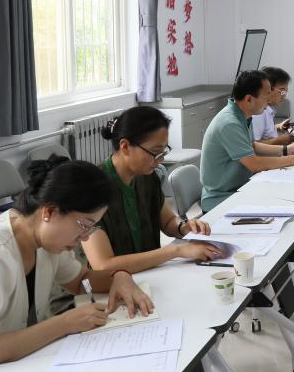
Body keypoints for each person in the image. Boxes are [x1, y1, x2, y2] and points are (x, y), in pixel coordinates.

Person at [0, 156, 154, 372]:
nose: (85, 237)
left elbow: (81, 281)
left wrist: (119, 276)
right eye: (84, 225)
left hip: (25, 364)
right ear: (49, 211)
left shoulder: (45, 237)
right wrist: (64, 324)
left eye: (91, 228)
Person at [81, 106, 223, 272]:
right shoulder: (91, 189)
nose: (160, 160)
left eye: (163, 152)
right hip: (113, 283)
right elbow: (103, 265)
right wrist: (176, 250)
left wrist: (184, 227)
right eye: (155, 153)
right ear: (125, 146)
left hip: (150, 274)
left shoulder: (147, 176)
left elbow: (168, 222)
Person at [200, 70, 294, 213]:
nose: (269, 99)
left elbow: (252, 146)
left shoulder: (243, 116)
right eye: (266, 94)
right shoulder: (229, 123)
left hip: (241, 188)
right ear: (249, 99)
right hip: (222, 199)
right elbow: (254, 164)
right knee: (287, 203)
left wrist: (286, 150)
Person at [252, 66, 294, 146]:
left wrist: (278, 126)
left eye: (285, 92)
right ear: (268, 88)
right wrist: (279, 140)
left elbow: (264, 131)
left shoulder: (267, 110)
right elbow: (253, 145)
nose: (284, 96)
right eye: (282, 91)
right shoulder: (258, 113)